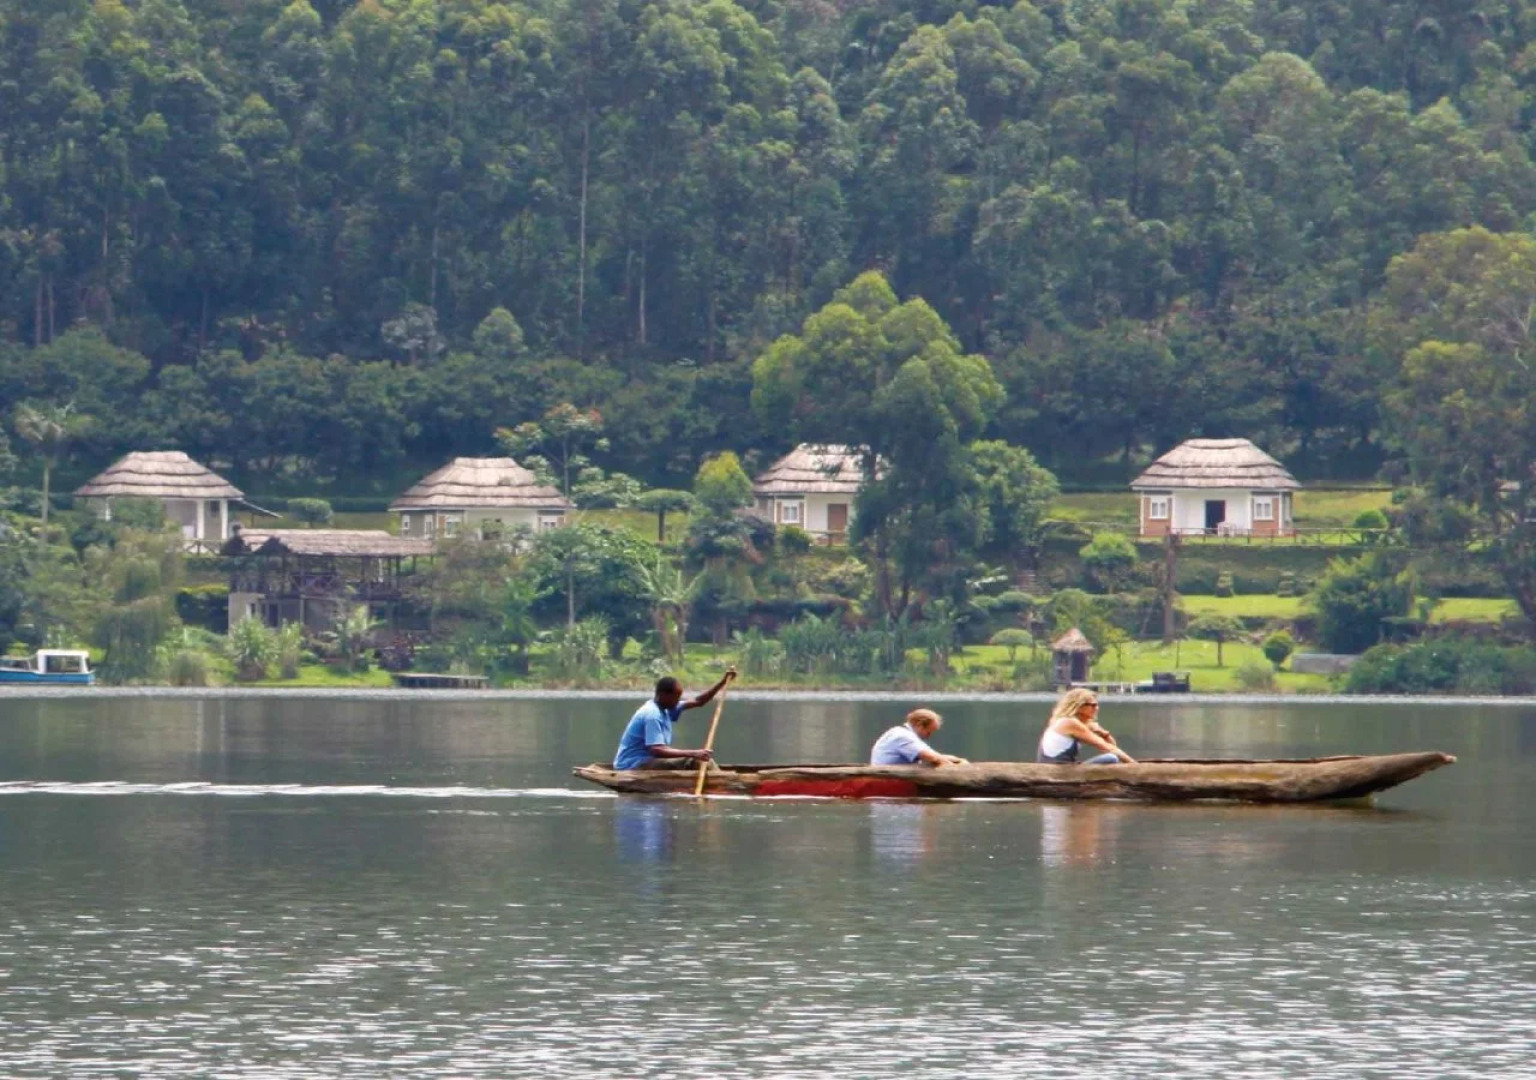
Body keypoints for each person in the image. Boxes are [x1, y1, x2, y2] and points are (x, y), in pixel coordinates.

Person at [613, 669, 737, 770]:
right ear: (663, 695)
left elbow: (699, 701)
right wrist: (694, 753)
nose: (678, 700)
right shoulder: (652, 715)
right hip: (633, 765)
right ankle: (721, 780)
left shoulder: (666, 708)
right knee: (695, 761)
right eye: (676, 697)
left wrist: (723, 682)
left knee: (700, 761)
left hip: (647, 760)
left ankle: (716, 777)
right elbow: (657, 750)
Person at [1037, 688, 1136, 765]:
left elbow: (1112, 746)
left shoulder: (1073, 724)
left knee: (1112, 758)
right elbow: (1108, 748)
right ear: (1078, 706)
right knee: (1111, 758)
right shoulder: (1069, 723)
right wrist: (1135, 766)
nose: (1096, 708)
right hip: (1058, 772)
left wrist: (1104, 734)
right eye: (1092, 705)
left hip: (1064, 770)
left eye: (1097, 705)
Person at [870, 708, 968, 767]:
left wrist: (958, 760)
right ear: (920, 725)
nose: (929, 736)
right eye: (929, 732)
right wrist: (959, 769)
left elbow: (936, 755)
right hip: (887, 779)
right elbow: (934, 758)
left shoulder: (906, 733)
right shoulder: (902, 736)